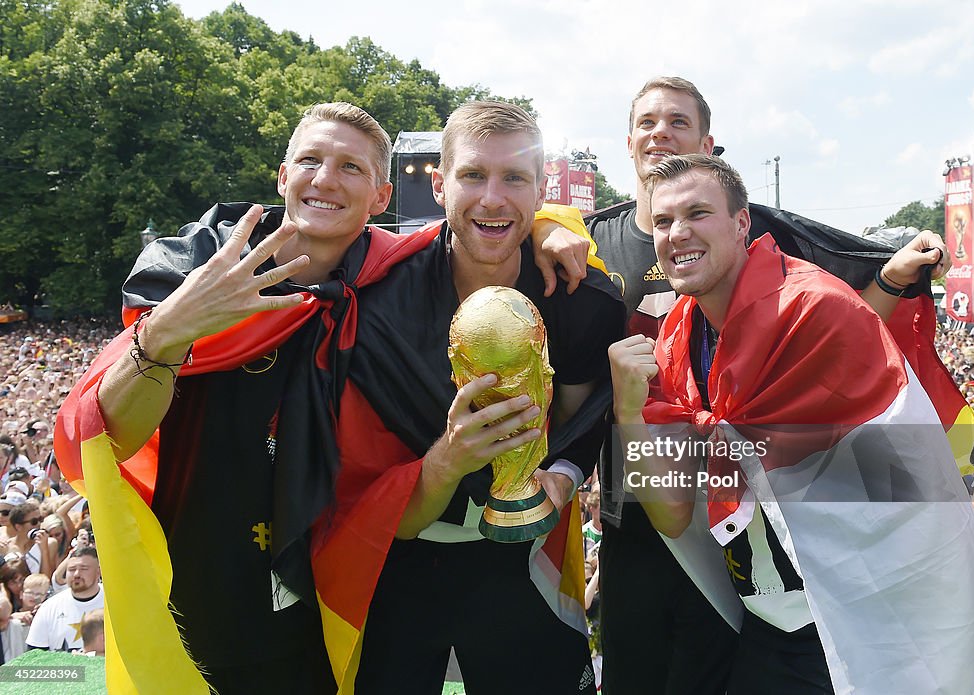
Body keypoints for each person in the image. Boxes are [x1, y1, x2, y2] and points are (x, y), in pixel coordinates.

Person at [55, 101, 590, 693]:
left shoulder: (382, 273)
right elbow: (112, 435)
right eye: (310, 160)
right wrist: (167, 333)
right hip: (208, 571)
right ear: (283, 176)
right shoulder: (204, 265)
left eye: (350, 168)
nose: (326, 180)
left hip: (325, 582)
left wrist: (553, 223)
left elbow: (482, 221)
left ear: (382, 197)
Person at [533, 75, 953, 695]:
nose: (681, 234)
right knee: (637, 664)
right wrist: (543, 227)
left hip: (786, 549)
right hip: (643, 495)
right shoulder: (601, 255)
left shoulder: (805, 295)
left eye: (678, 122)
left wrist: (889, 278)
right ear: (627, 144)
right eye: (647, 123)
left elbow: (852, 374)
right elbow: (494, 235)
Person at [608, 153, 974, 693]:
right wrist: (630, 413)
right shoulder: (675, 341)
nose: (677, 233)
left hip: (867, 616)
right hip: (772, 623)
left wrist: (755, 445)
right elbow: (673, 515)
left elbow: (904, 474)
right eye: (662, 221)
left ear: (742, 223)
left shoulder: (815, 310)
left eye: (697, 213)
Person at [343, 100, 623, 694]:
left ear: (542, 189)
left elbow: (586, 409)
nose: (493, 197)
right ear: (440, 185)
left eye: (515, 178)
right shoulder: (376, 291)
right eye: (474, 175)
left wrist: (565, 474)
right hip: (399, 560)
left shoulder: (582, 297)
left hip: (528, 557)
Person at [25, 546, 103, 651]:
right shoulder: (48, 608)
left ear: (98, 572)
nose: (76, 574)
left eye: (84, 569)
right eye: (71, 569)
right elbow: (34, 656)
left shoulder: (114, 602)